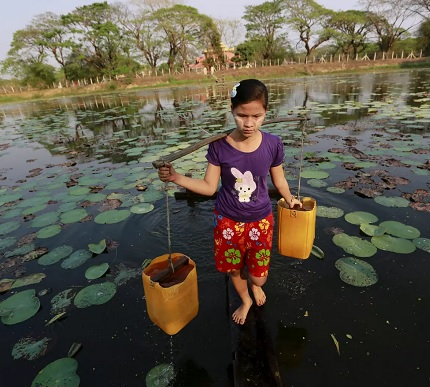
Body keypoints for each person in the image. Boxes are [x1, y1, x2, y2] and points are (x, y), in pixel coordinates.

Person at [158, 79, 301, 325]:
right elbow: (209, 187)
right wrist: (175, 177)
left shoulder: (272, 144)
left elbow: (279, 180)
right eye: (242, 115)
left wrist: (290, 199)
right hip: (227, 222)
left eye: (257, 116)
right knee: (234, 269)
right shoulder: (219, 147)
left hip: (261, 221)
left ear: (266, 112)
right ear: (232, 110)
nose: (249, 123)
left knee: (259, 278)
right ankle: (245, 300)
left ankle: (255, 286)